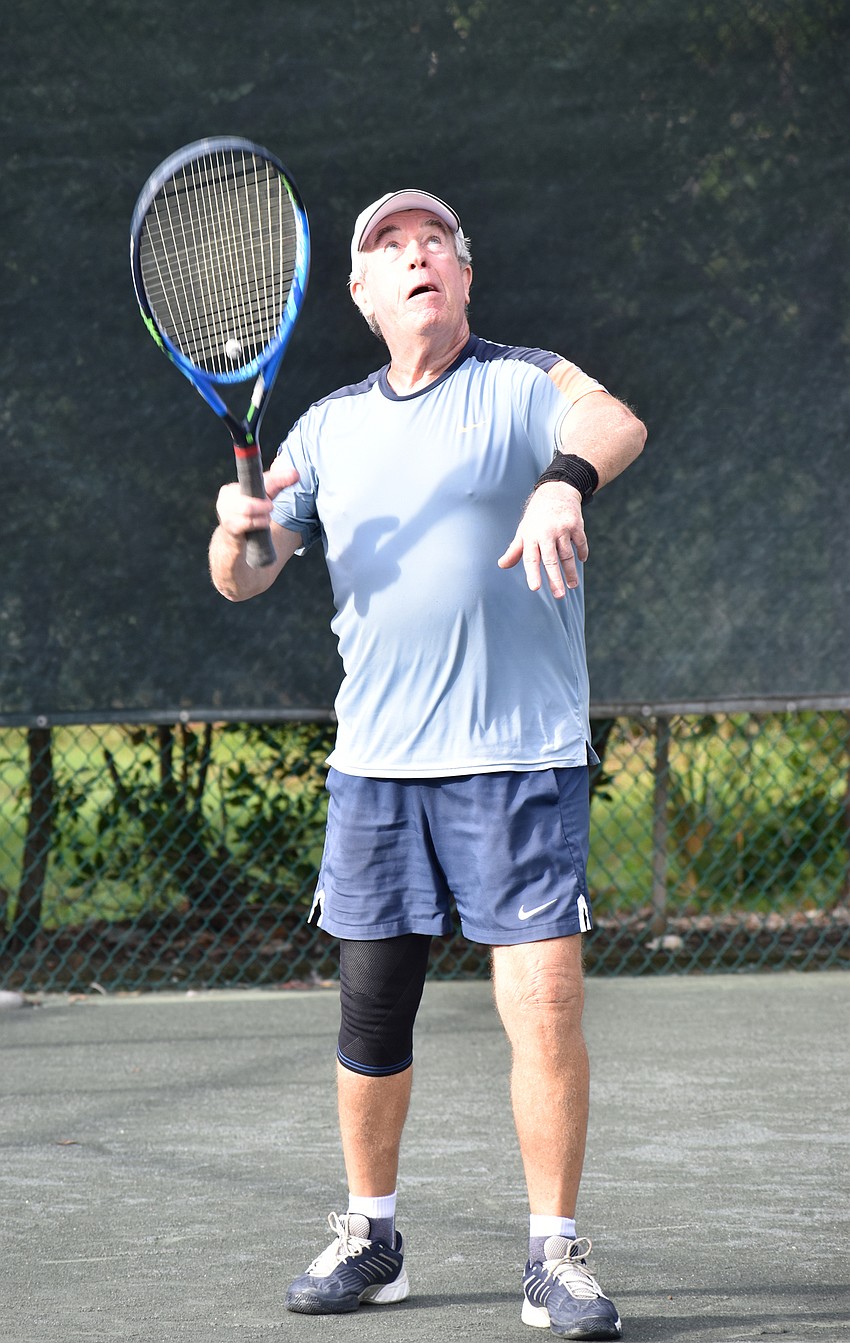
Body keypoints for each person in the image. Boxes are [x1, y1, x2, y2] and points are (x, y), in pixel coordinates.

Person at [209, 188, 646, 1339]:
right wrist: (237, 530)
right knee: (372, 1012)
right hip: (379, 768)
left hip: (518, 758)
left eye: (435, 244)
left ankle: (555, 1253)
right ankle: (372, 1233)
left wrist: (562, 479)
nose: (417, 257)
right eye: (391, 249)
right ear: (359, 293)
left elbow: (617, 422)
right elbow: (247, 573)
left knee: (544, 1002)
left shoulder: (523, 380)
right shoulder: (322, 429)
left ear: (463, 277)